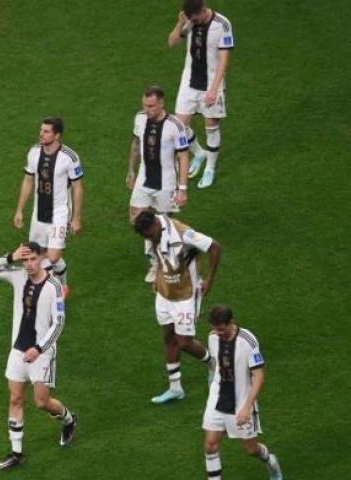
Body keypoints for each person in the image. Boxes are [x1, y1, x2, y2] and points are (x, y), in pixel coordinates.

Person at [0, 242, 77, 470]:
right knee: (15, 399)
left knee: (41, 402)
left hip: (41, 355)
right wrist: (10, 257)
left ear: (42, 259)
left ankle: (69, 420)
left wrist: (39, 348)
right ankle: (16, 453)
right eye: (25, 260)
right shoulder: (18, 277)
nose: (30, 264)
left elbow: (58, 324)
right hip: (17, 351)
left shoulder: (53, 286)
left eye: (33, 259)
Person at [133, 210, 221, 404]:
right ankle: (175, 388)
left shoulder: (183, 233)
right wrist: (157, 278)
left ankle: (213, 363)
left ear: (156, 224)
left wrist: (209, 279)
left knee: (184, 342)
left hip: (186, 296)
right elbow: (157, 258)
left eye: (149, 234)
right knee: (169, 338)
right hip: (164, 295)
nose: (148, 238)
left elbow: (214, 247)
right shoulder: (151, 234)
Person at [203, 305, 283, 480]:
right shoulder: (213, 337)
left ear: (231, 322)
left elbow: (259, 376)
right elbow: (216, 363)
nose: (219, 334)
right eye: (215, 330)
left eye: (222, 329)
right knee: (210, 445)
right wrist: (212, 384)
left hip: (241, 401)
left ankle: (270, 460)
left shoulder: (247, 341)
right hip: (218, 398)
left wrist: (247, 408)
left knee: (251, 450)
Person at [13, 118, 84, 299]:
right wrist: (19, 210)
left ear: (57, 135)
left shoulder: (69, 157)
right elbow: (28, 180)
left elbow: (77, 187)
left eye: (46, 131)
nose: (41, 134)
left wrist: (76, 218)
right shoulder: (34, 152)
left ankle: (62, 287)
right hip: (39, 213)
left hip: (59, 214)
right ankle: (51, 287)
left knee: (51, 257)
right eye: (41, 130)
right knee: (38, 254)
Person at [126, 85, 190, 282]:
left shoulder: (175, 126)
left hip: (166, 184)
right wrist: (131, 170)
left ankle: (160, 261)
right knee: (136, 220)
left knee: (162, 225)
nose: (147, 109)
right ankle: (155, 259)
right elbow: (136, 144)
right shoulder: (140, 118)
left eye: (151, 106)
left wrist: (182, 189)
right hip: (144, 180)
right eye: (145, 105)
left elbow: (183, 156)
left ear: (161, 103)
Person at [168, 0, 234, 188]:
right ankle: (198, 152)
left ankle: (210, 169)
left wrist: (214, 89)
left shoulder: (222, 25)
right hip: (189, 83)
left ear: (202, 11)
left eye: (193, 18)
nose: (192, 21)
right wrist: (180, 24)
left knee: (211, 127)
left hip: (212, 85)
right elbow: (171, 43)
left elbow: (223, 61)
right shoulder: (189, 22)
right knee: (179, 127)